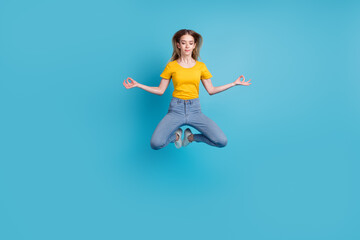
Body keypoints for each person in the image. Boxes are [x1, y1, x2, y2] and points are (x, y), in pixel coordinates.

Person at [123, 29, 252, 150]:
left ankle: (191, 138)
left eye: (190, 43)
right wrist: (138, 85)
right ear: (178, 45)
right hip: (176, 110)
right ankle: (177, 136)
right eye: (183, 43)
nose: (187, 46)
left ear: (195, 45)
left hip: (195, 110)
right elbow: (160, 90)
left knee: (221, 141)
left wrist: (233, 84)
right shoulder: (171, 66)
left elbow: (211, 90)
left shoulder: (201, 67)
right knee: (156, 143)